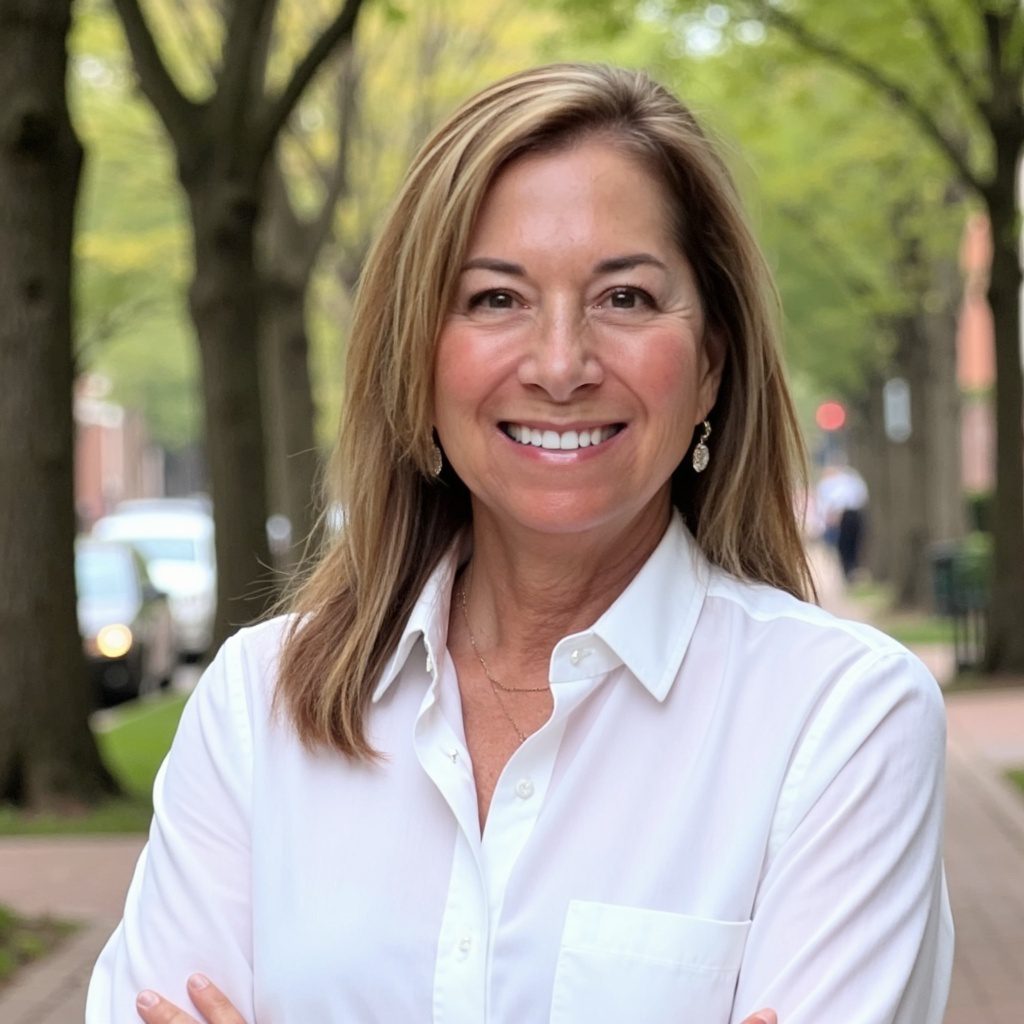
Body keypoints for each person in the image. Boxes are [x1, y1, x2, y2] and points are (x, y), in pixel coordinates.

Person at [87, 63, 952, 1024]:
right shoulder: (257, 709)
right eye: (496, 299)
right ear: (416, 359)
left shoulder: (840, 721)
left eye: (624, 298)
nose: (559, 365)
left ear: (710, 364)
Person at [816, 462, 870, 580]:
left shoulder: (846, 481)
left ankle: (851, 569)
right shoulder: (829, 483)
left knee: (851, 544)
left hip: (849, 515)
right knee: (844, 545)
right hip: (840, 516)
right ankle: (848, 570)